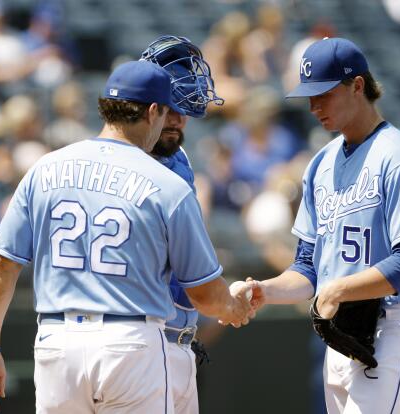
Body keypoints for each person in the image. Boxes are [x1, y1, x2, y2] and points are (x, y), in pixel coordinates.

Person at [0, 59, 253, 413]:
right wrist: (235, 305)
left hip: (57, 344)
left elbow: (0, 267)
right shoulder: (166, 185)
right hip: (130, 344)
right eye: (166, 113)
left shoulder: (44, 169)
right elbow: (207, 297)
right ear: (153, 111)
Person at [246, 38, 400, 413]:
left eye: (324, 94)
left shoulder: (399, 157)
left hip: (390, 327)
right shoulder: (320, 163)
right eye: (309, 96)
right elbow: (307, 267)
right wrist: (264, 291)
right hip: (341, 335)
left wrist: (338, 289)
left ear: (357, 86)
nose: (313, 106)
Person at [141, 34, 224, 414]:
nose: (176, 119)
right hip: (137, 339)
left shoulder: (181, 156)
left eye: (184, 108)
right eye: (169, 107)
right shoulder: (124, 157)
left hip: (174, 339)